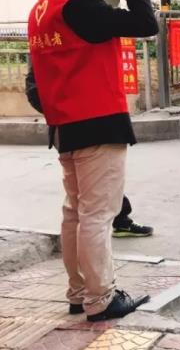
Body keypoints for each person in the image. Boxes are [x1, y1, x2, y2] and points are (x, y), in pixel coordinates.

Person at [27, 0, 157, 321]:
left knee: (76, 213)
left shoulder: (42, 7)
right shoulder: (79, 4)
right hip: (97, 122)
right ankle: (101, 298)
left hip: (66, 126)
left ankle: (80, 291)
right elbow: (145, 23)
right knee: (98, 215)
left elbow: (38, 80)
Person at [25, 69, 153, 239]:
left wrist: (60, 111)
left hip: (69, 129)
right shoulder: (72, 52)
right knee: (93, 209)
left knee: (84, 202)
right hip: (85, 128)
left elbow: (33, 87)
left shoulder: (46, 52)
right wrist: (64, 110)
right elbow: (33, 87)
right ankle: (119, 222)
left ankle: (120, 220)